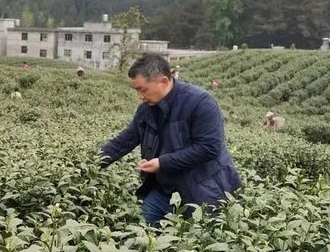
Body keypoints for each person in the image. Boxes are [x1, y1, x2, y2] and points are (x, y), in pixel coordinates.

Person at [99, 54, 242, 225]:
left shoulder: (200, 102)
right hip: (163, 191)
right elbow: (126, 140)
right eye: (136, 90)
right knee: (150, 233)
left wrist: (162, 163)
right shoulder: (146, 109)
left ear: (164, 81)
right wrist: (94, 161)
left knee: (196, 244)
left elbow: (209, 148)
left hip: (201, 192)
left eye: (143, 89)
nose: (140, 96)